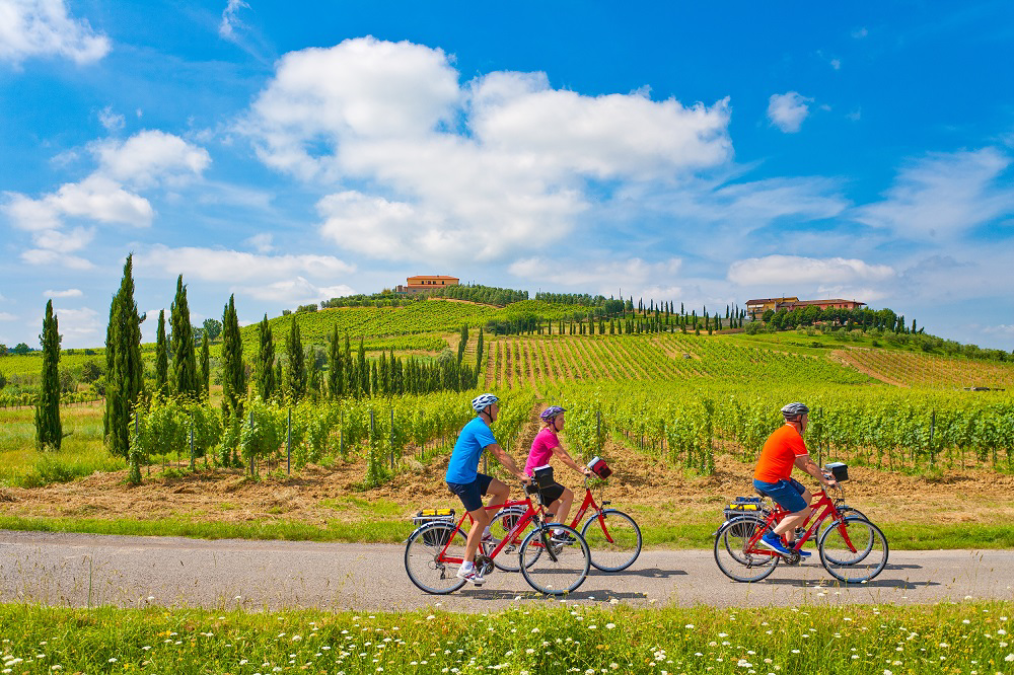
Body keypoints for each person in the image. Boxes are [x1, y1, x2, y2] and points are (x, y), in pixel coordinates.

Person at [445, 393, 529, 586]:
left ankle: (484, 531)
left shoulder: (479, 426)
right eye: (496, 406)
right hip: (462, 479)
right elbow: (499, 454)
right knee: (480, 519)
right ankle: (466, 567)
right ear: (487, 409)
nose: (498, 409)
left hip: (469, 476)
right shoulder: (479, 427)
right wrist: (519, 474)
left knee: (503, 490)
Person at [752, 402, 836, 557]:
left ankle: (791, 546)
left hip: (775, 478)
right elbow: (807, 463)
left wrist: (819, 472)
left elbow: (799, 462)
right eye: (806, 417)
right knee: (804, 510)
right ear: (799, 418)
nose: (807, 421)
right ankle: (772, 537)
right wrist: (825, 480)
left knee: (806, 496)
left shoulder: (785, 432)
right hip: (772, 481)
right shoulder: (792, 435)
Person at [523, 406, 592, 542]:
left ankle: (539, 536)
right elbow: (562, 457)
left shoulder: (549, 434)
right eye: (561, 419)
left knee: (554, 506)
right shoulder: (547, 435)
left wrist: (580, 467)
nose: (563, 421)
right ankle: (558, 534)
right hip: (535, 478)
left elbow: (563, 453)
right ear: (551, 421)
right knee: (568, 496)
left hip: (536, 476)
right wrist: (581, 470)